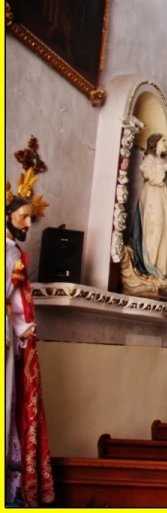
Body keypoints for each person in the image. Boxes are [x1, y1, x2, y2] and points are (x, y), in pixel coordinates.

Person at [5, 193, 54, 506]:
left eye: (30, 218)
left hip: (13, 338)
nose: (27, 223)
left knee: (12, 403)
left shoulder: (15, 251)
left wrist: (22, 328)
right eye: (22, 216)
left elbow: (16, 297)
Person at [128, 133, 167, 278]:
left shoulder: (160, 160)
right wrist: (166, 166)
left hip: (161, 199)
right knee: (153, 230)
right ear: (154, 143)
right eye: (163, 141)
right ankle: (149, 269)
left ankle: (160, 272)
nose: (165, 145)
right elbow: (150, 174)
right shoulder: (148, 159)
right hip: (152, 198)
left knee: (162, 232)